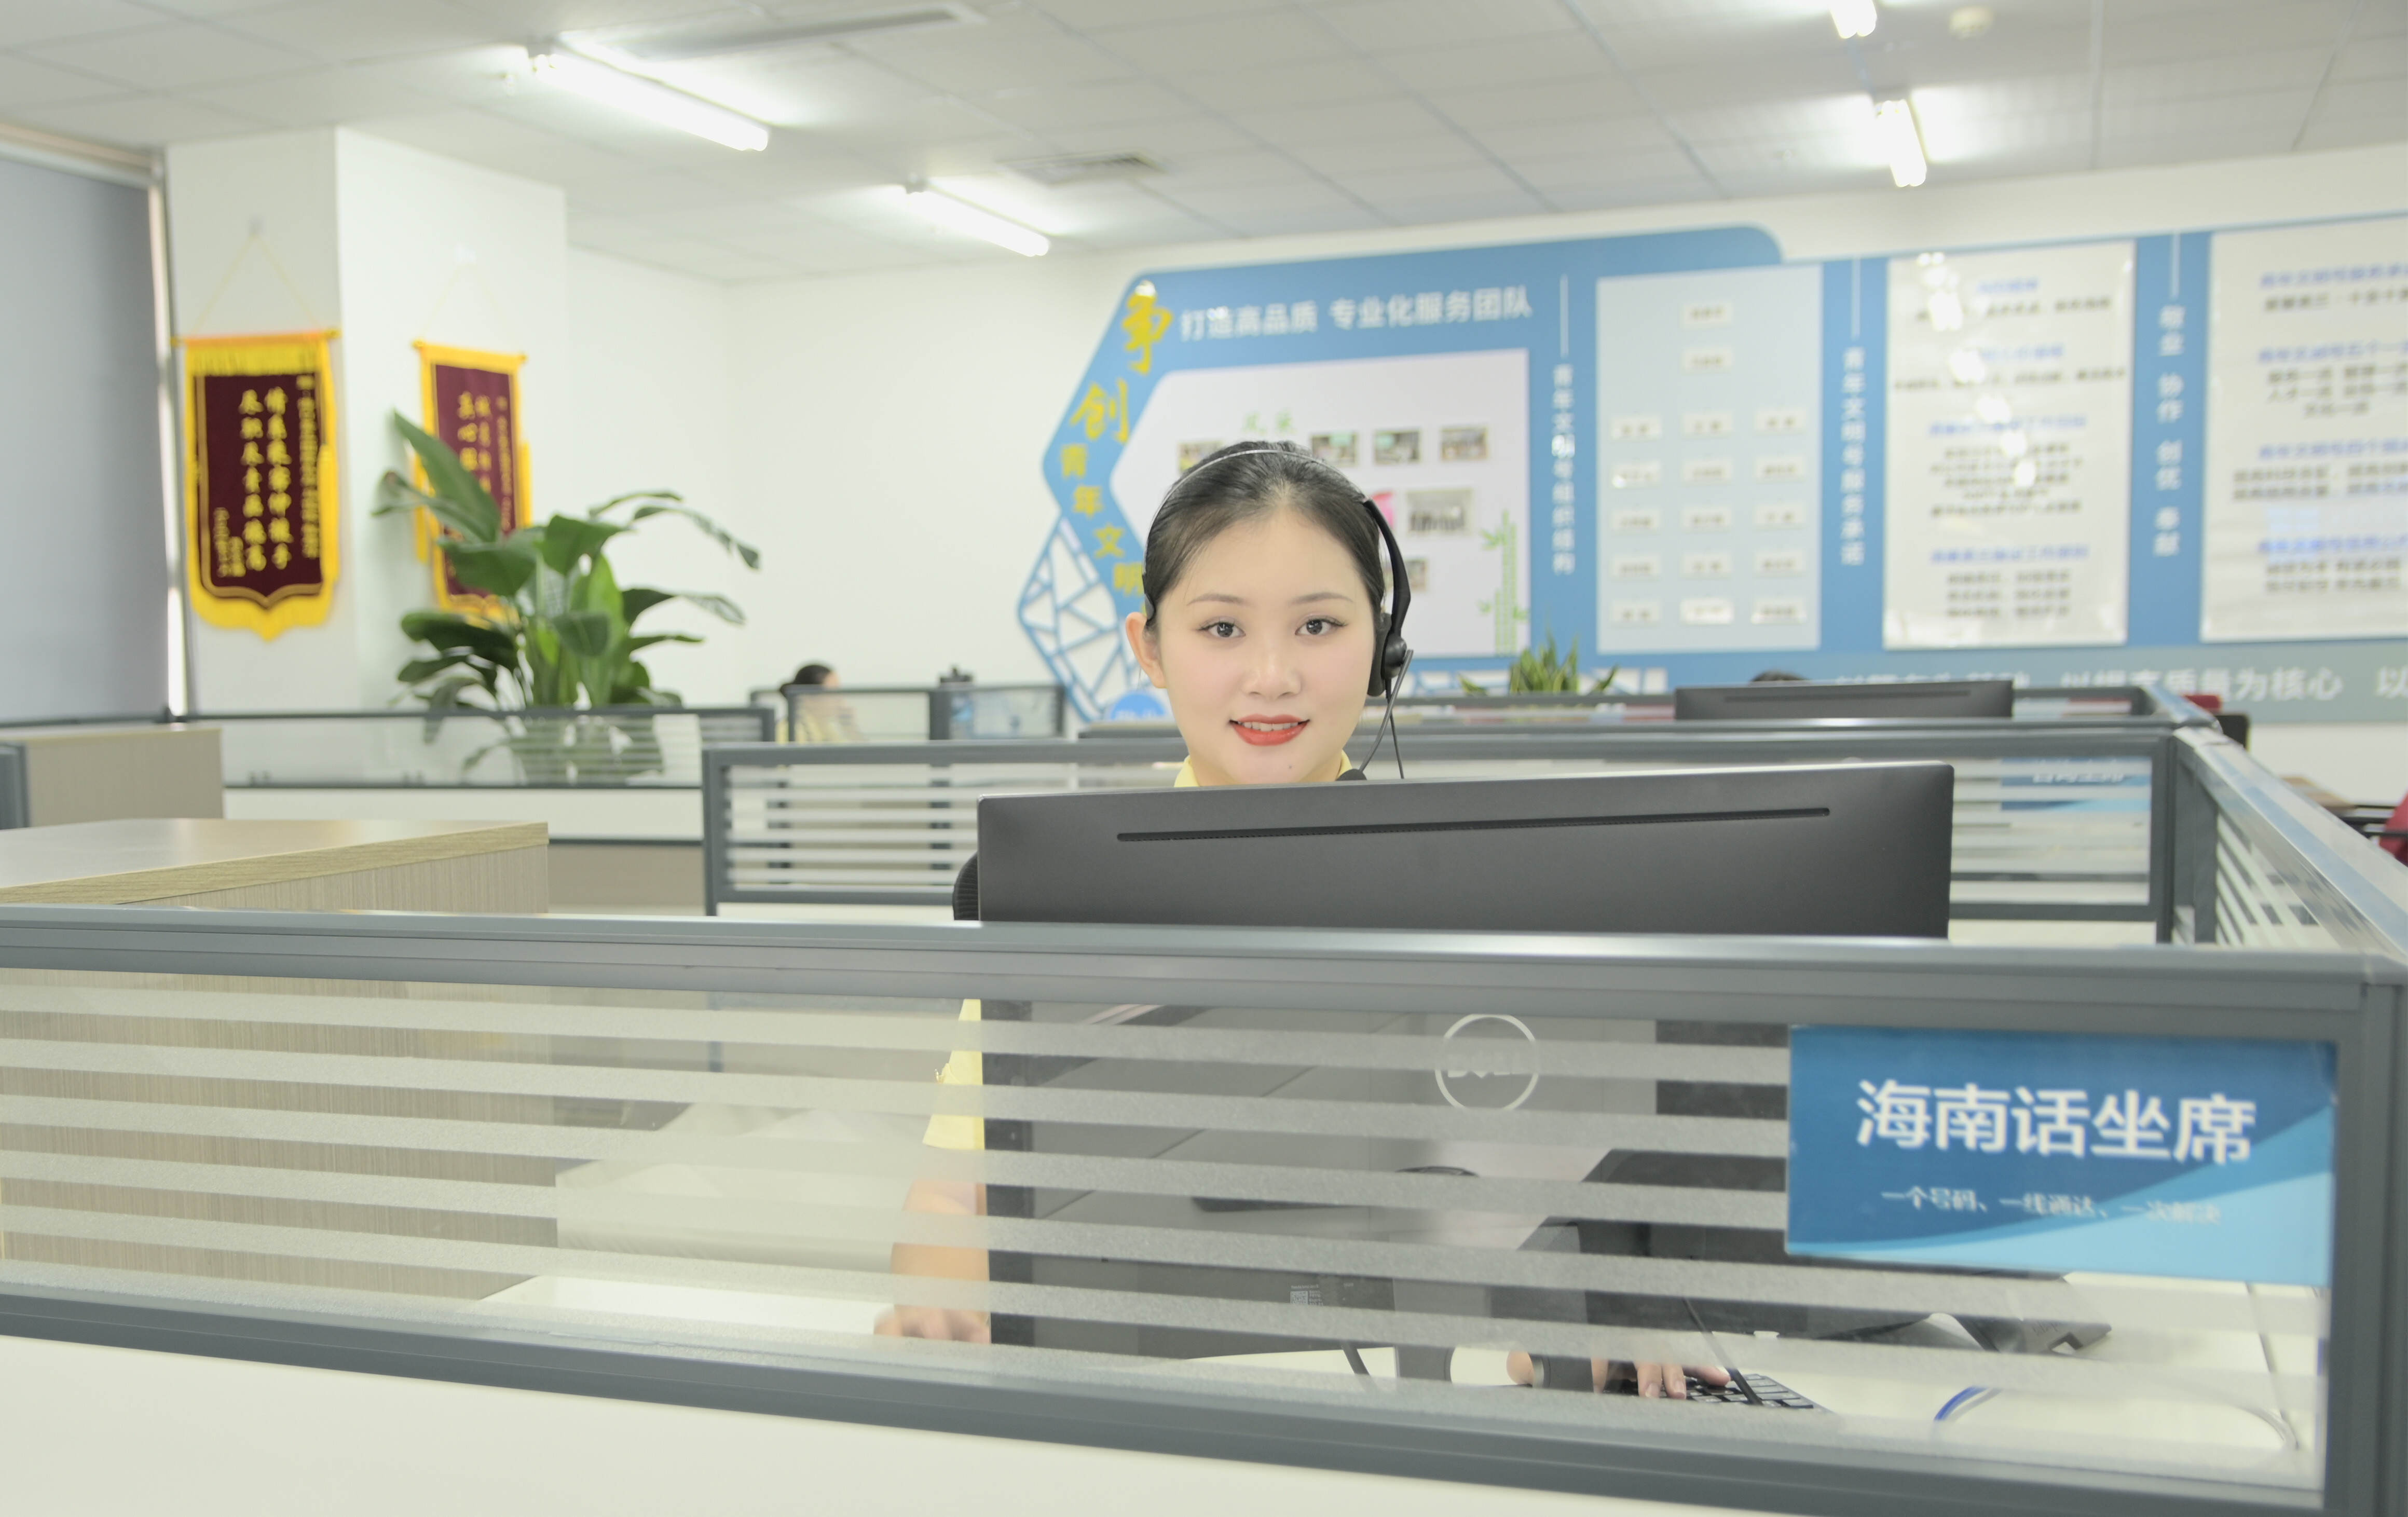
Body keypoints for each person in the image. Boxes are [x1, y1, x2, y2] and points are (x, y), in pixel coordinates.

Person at [874, 442, 1728, 1398]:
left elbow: (1544, 1201)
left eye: (1318, 625)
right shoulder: (1063, 894)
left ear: (1382, 650)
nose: (1273, 676)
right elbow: (955, 1192)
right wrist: (944, 1304)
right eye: (1222, 629)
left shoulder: (1480, 894)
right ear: (1150, 648)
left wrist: (1585, 1317)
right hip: (1123, 1410)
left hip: (1403, 1424)